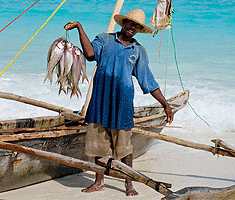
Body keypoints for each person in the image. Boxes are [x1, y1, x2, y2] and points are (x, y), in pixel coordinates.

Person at [64, 9, 174, 196]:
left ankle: (129, 184)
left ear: (139, 29)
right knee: (99, 146)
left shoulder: (138, 51)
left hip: (122, 105)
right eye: (130, 23)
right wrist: (79, 28)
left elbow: (147, 80)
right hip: (99, 102)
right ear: (123, 23)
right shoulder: (105, 39)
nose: (133, 27)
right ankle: (99, 182)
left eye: (137, 26)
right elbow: (90, 55)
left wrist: (165, 104)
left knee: (125, 148)